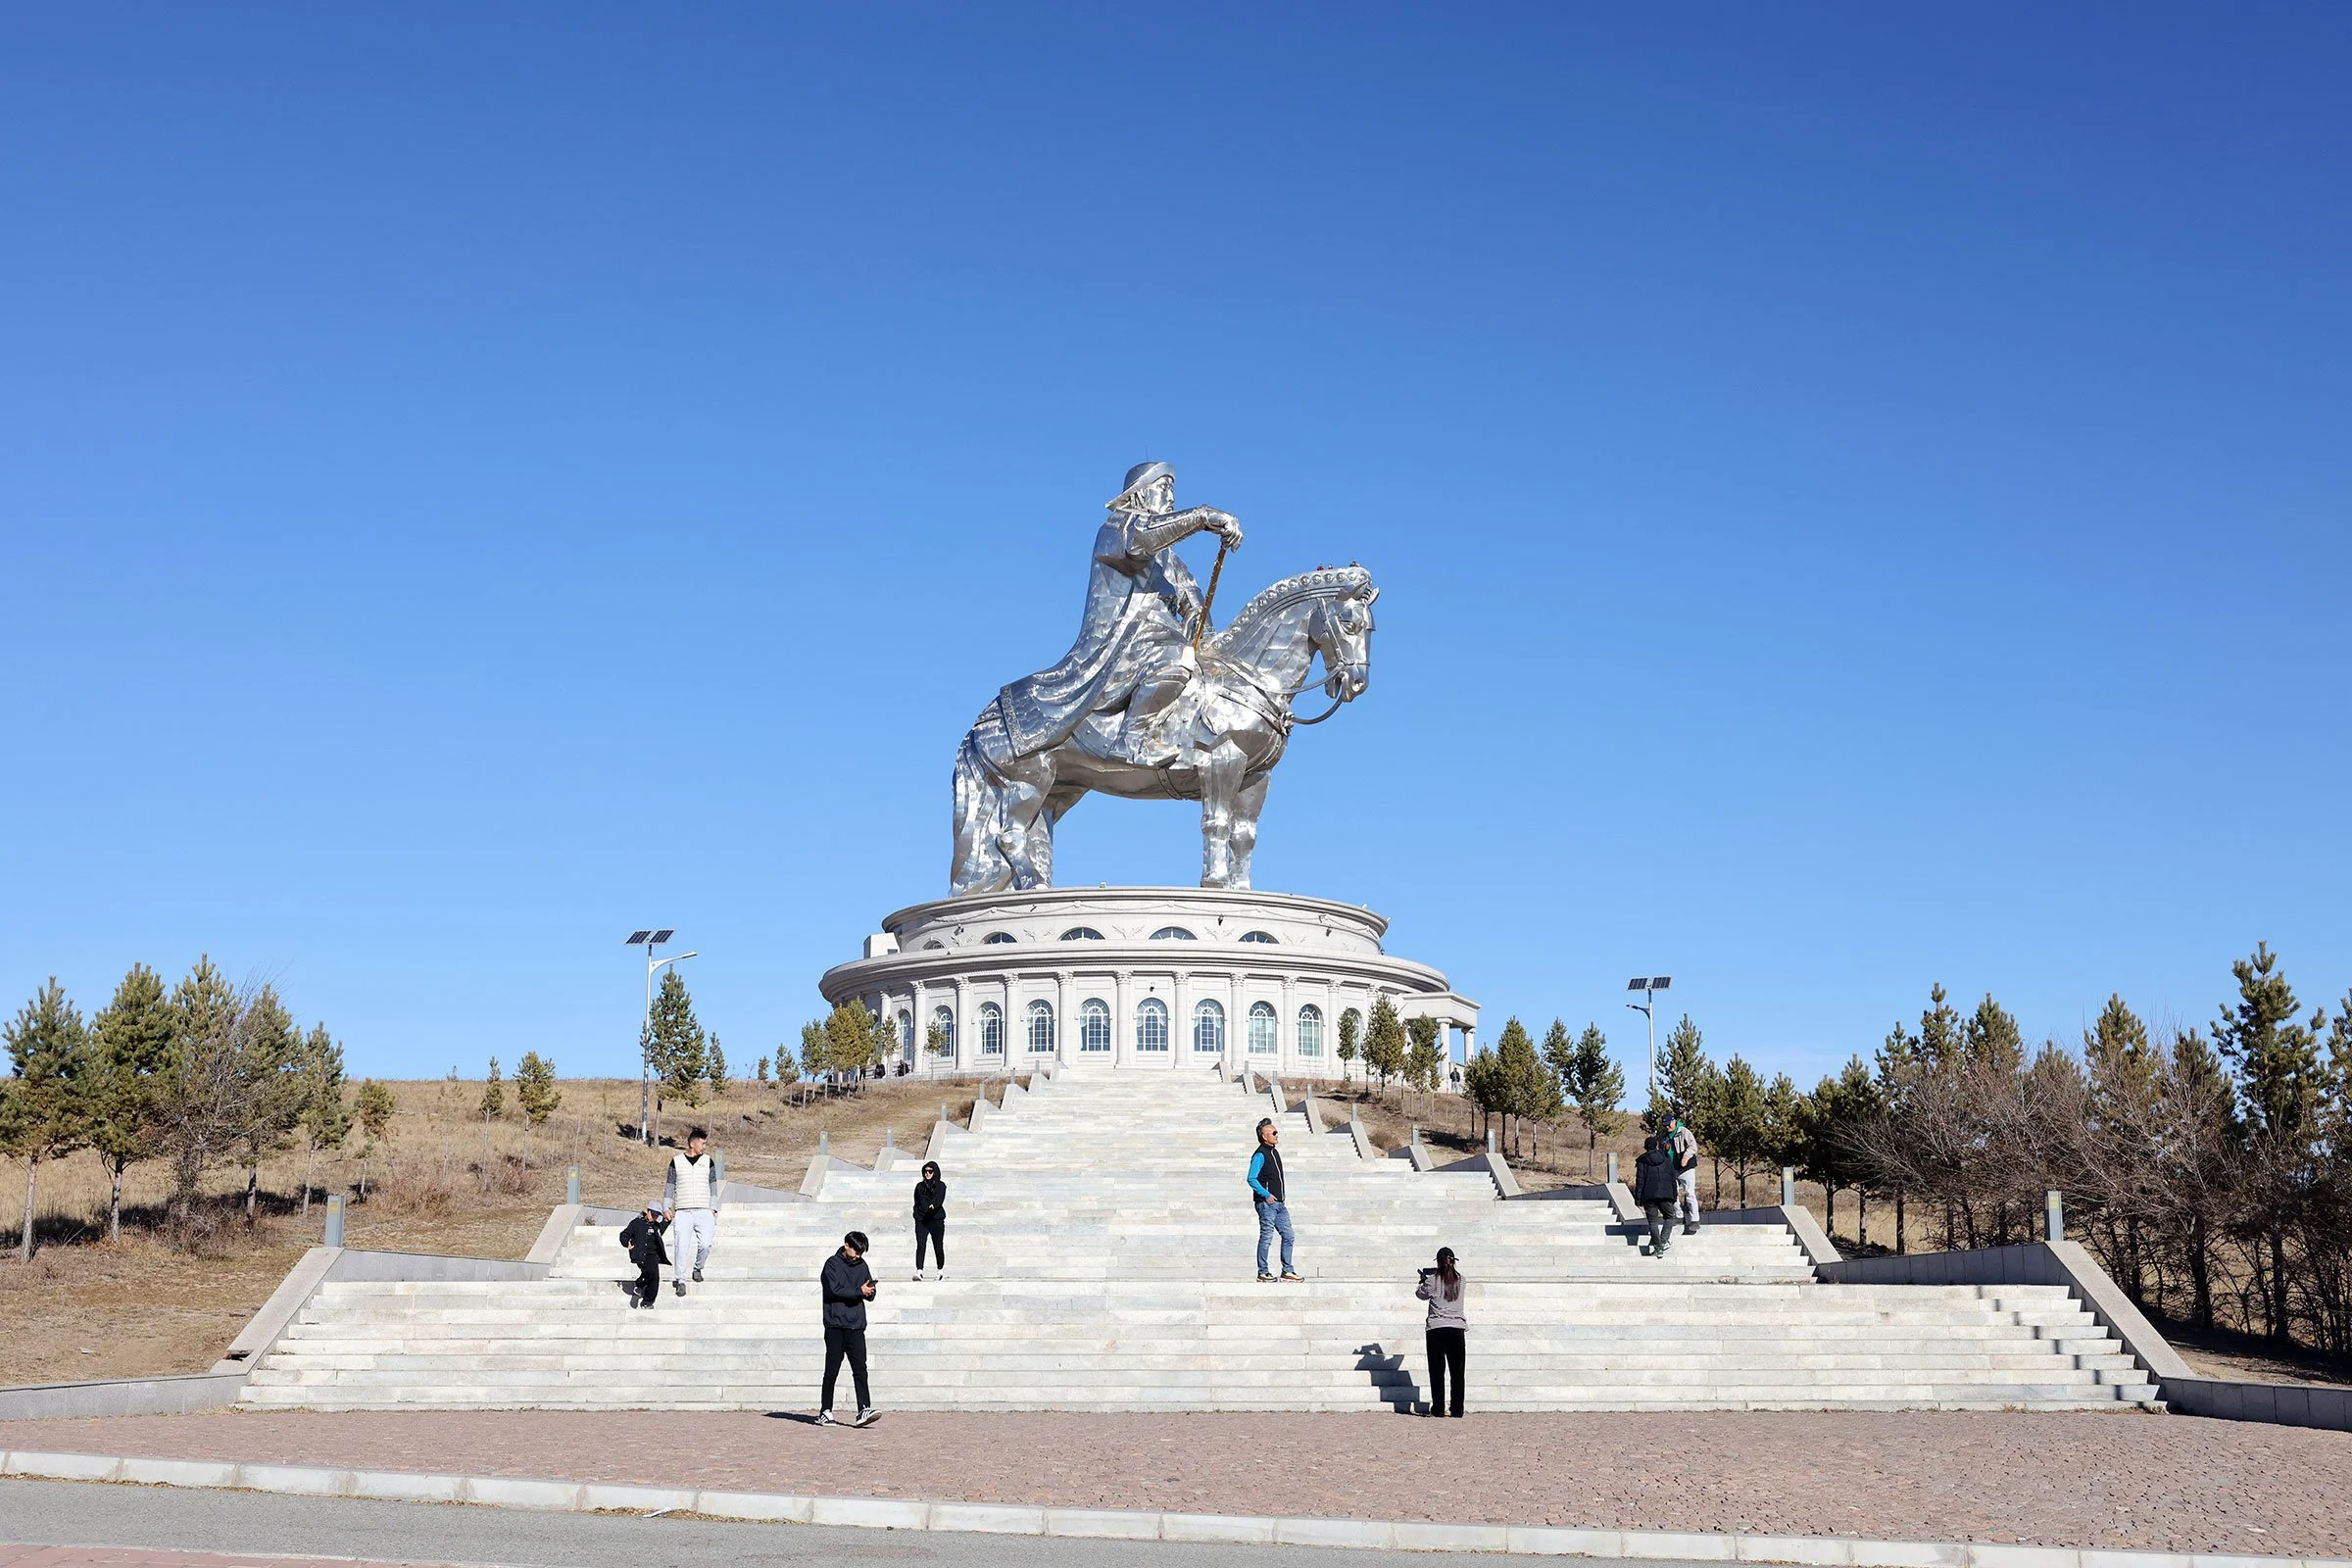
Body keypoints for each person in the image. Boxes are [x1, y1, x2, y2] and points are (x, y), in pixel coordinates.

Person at [818, 1230, 878, 1427]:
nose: (859, 1255)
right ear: (846, 1245)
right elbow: (832, 1290)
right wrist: (858, 1291)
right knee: (832, 1369)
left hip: (856, 1325)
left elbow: (867, 1289)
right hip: (836, 1324)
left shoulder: (862, 1265)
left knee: (860, 1368)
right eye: (857, 1251)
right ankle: (825, 1411)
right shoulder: (832, 1265)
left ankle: (864, 1408)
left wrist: (870, 1292)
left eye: (862, 1252)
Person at [663, 1127, 721, 1295]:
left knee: (705, 1244)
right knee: (681, 1246)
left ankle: (698, 1268)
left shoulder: (708, 1161)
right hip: (683, 1211)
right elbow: (670, 1185)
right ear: (692, 1143)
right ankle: (681, 1279)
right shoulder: (676, 1162)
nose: (704, 1147)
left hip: (704, 1210)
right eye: (702, 1143)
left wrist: (713, 1207)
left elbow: (713, 1186)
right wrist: (666, 1206)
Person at [1247, 1117, 1301, 1282]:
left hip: (1279, 1204)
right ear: (1265, 1136)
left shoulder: (1273, 1151)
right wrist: (1266, 1195)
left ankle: (1287, 1270)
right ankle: (1263, 1271)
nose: (1277, 1135)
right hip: (1267, 1204)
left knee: (1289, 1235)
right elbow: (1251, 1178)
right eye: (1274, 1133)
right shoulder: (1260, 1155)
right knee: (1267, 1236)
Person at [1416, 1247, 1468, 1417]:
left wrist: (1423, 1280)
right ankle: (1457, 1409)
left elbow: (1420, 1294)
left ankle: (1438, 1408)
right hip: (1457, 1328)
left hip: (1437, 1328)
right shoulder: (1461, 1280)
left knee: (1437, 1372)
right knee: (1457, 1373)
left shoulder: (1432, 1280)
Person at [1634, 1133, 1679, 1256]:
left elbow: (1640, 1180)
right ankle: (1663, 1242)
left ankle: (1658, 1248)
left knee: (1652, 1222)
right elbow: (1672, 1178)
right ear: (1657, 1146)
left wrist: (1637, 1198)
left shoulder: (1642, 1161)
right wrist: (1674, 1195)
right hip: (1665, 1194)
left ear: (1645, 1147)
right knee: (1670, 1217)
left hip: (1649, 1196)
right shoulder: (1666, 1159)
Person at [618, 1204, 668, 1308]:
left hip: (653, 1255)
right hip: (640, 1254)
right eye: (652, 1214)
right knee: (649, 1272)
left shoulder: (655, 1226)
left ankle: (647, 1301)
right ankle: (639, 1284)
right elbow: (624, 1234)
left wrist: (667, 1220)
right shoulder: (636, 1223)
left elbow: (661, 1229)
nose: (654, 1217)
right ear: (647, 1211)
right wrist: (627, 1242)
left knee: (655, 1278)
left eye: (656, 1216)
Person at [912, 1160, 948, 1281]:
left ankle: (940, 1270)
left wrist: (934, 1205)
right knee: (921, 1244)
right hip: (922, 1220)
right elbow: (916, 1202)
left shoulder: (941, 1185)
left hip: (936, 1219)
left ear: (935, 1172)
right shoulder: (919, 1187)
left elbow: (939, 1198)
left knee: (938, 1245)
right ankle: (919, 1271)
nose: (927, 1173)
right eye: (925, 1171)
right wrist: (916, 1215)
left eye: (930, 1171)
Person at [1670, 1115, 1701, 1236]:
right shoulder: (1665, 1135)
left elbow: (1693, 1146)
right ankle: (1679, 1216)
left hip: (1686, 1167)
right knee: (1673, 1194)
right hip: (1673, 1168)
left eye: (1669, 1124)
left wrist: (1686, 1157)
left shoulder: (1684, 1132)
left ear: (1674, 1121)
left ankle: (1695, 1220)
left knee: (1689, 1193)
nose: (1667, 1127)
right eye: (1665, 1125)